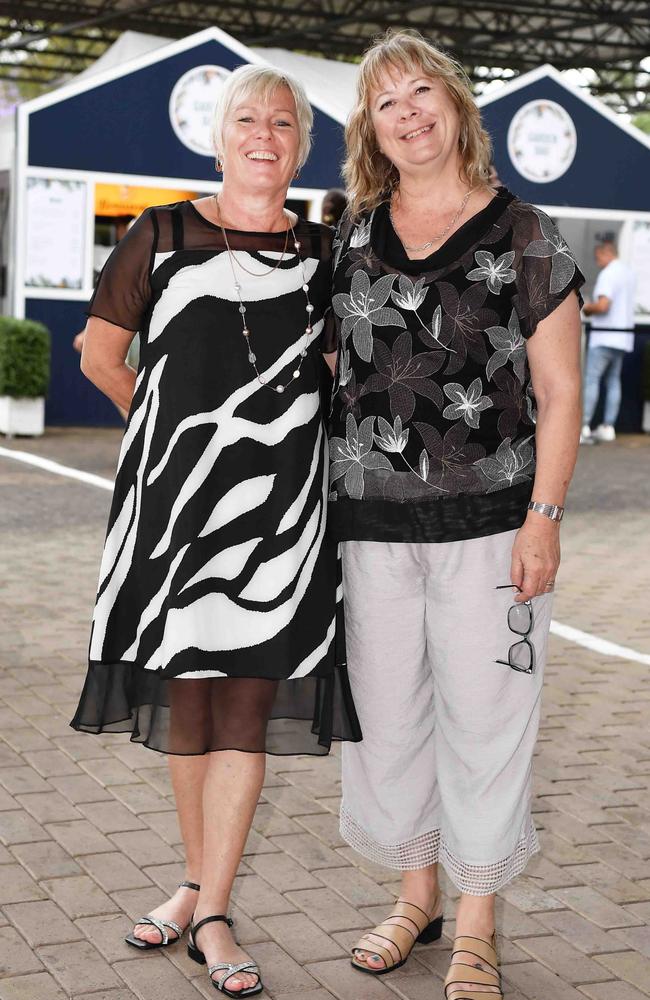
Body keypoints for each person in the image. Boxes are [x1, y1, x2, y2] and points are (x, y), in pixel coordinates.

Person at [70, 64, 361, 997]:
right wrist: (173, 444)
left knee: (244, 707)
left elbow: (333, 368)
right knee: (187, 705)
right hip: (175, 516)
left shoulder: (327, 252)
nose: (265, 134)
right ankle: (197, 885)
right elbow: (100, 354)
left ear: (303, 145)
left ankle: (215, 910)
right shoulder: (159, 232)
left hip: (279, 525)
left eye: (284, 122)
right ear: (219, 134)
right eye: (248, 118)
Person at [328, 29, 583, 998]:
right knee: (388, 722)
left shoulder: (527, 234)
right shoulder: (350, 234)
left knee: (485, 718)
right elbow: (327, 376)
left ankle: (474, 918)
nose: (408, 112)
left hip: (491, 523)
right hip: (368, 529)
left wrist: (544, 516)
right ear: (372, 130)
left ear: (455, 105)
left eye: (421, 91)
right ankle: (414, 894)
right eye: (386, 101)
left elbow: (559, 392)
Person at [580, 240, 636, 444]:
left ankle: (584, 427)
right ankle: (608, 427)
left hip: (604, 336)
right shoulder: (628, 273)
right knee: (613, 381)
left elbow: (603, 306)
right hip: (622, 336)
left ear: (605, 254)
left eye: (597, 258)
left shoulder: (608, 274)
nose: (598, 263)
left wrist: (586, 308)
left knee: (592, 380)